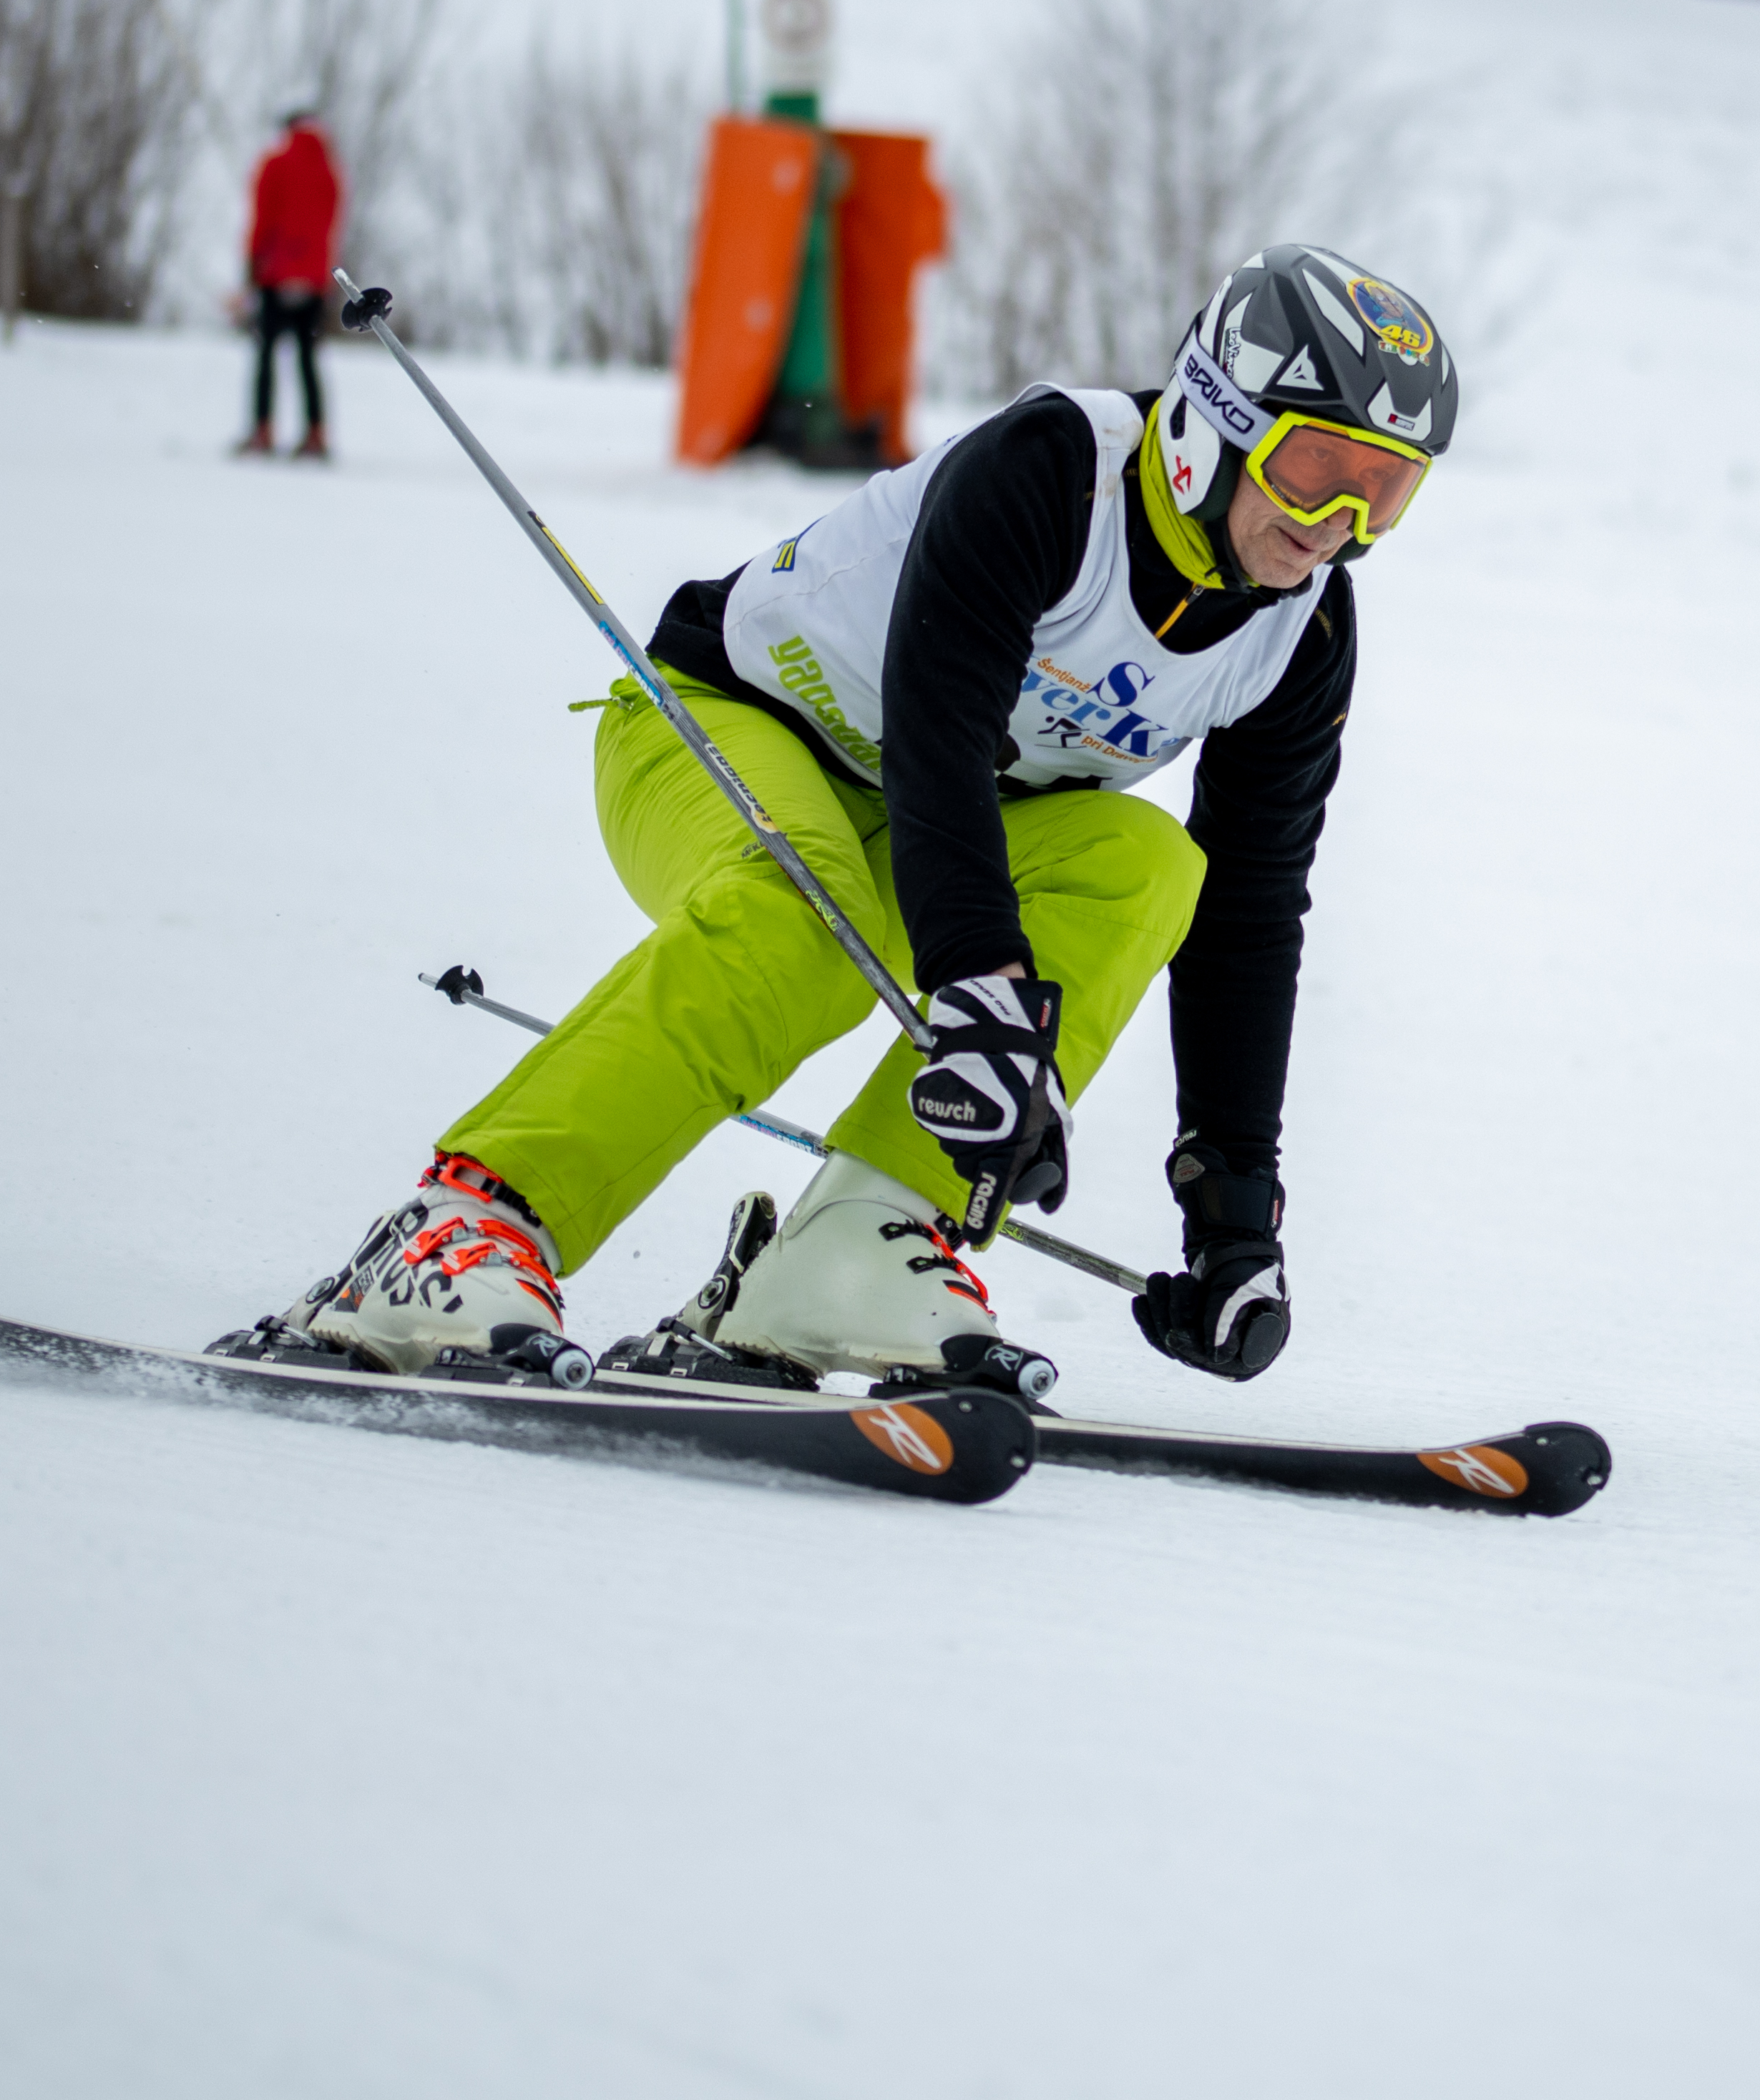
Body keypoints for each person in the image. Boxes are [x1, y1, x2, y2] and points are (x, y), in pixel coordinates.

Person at [280, 243, 1459, 1392]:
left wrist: (1232, 1212)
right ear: (1215, 416)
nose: (1336, 522)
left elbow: (1250, 916)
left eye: (1384, 491)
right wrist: (983, 986)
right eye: (1316, 467)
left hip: (934, 829)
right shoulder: (1057, 471)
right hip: (716, 723)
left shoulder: (1298, 636)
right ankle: (459, 1226)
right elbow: (941, 719)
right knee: (802, 915)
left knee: (1150, 864)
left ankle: (849, 1245)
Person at [239, 109, 342, 461]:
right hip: (314, 280)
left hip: (276, 274)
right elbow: (330, 224)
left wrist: (253, 262)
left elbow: (262, 215)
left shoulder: (275, 163)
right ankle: (315, 433)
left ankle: (262, 430)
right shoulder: (330, 171)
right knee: (308, 359)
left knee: (266, 353)